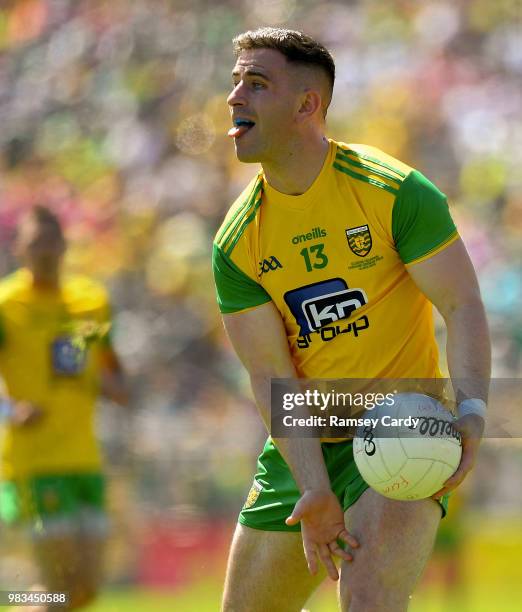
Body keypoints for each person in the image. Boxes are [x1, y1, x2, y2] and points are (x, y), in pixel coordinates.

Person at [212, 27, 490, 612]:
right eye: (235, 82)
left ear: (307, 104)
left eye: (256, 84)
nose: (235, 98)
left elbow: (462, 305)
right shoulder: (236, 243)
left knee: (366, 601)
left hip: (403, 425)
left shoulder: (395, 192)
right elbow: (270, 374)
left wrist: (471, 409)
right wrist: (314, 484)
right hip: (306, 435)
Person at [0, 206, 128, 610]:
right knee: (57, 584)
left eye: (52, 241)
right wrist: (9, 409)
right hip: (34, 462)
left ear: (65, 246)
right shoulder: (6, 304)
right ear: (18, 248)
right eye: (35, 242)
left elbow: (111, 369)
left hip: (84, 459)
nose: (45, 251)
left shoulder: (90, 301)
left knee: (85, 590)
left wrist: (114, 385)